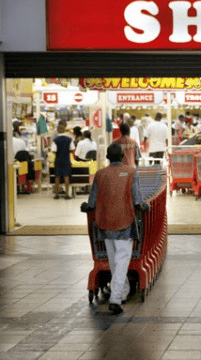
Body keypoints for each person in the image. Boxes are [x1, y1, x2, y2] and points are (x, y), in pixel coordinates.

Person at [80, 143, 148, 315]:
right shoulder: (131, 172)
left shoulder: (100, 174)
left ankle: (122, 291)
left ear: (108, 158)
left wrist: (86, 207)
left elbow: (92, 201)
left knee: (114, 261)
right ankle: (116, 300)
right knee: (122, 261)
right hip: (124, 222)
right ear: (124, 157)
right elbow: (137, 199)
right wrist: (144, 207)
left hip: (104, 223)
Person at [52, 123, 75, 199]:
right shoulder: (69, 139)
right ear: (64, 130)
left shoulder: (55, 140)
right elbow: (72, 149)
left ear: (58, 130)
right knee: (66, 176)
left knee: (57, 177)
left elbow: (53, 150)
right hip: (66, 159)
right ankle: (67, 194)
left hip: (58, 160)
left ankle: (56, 194)